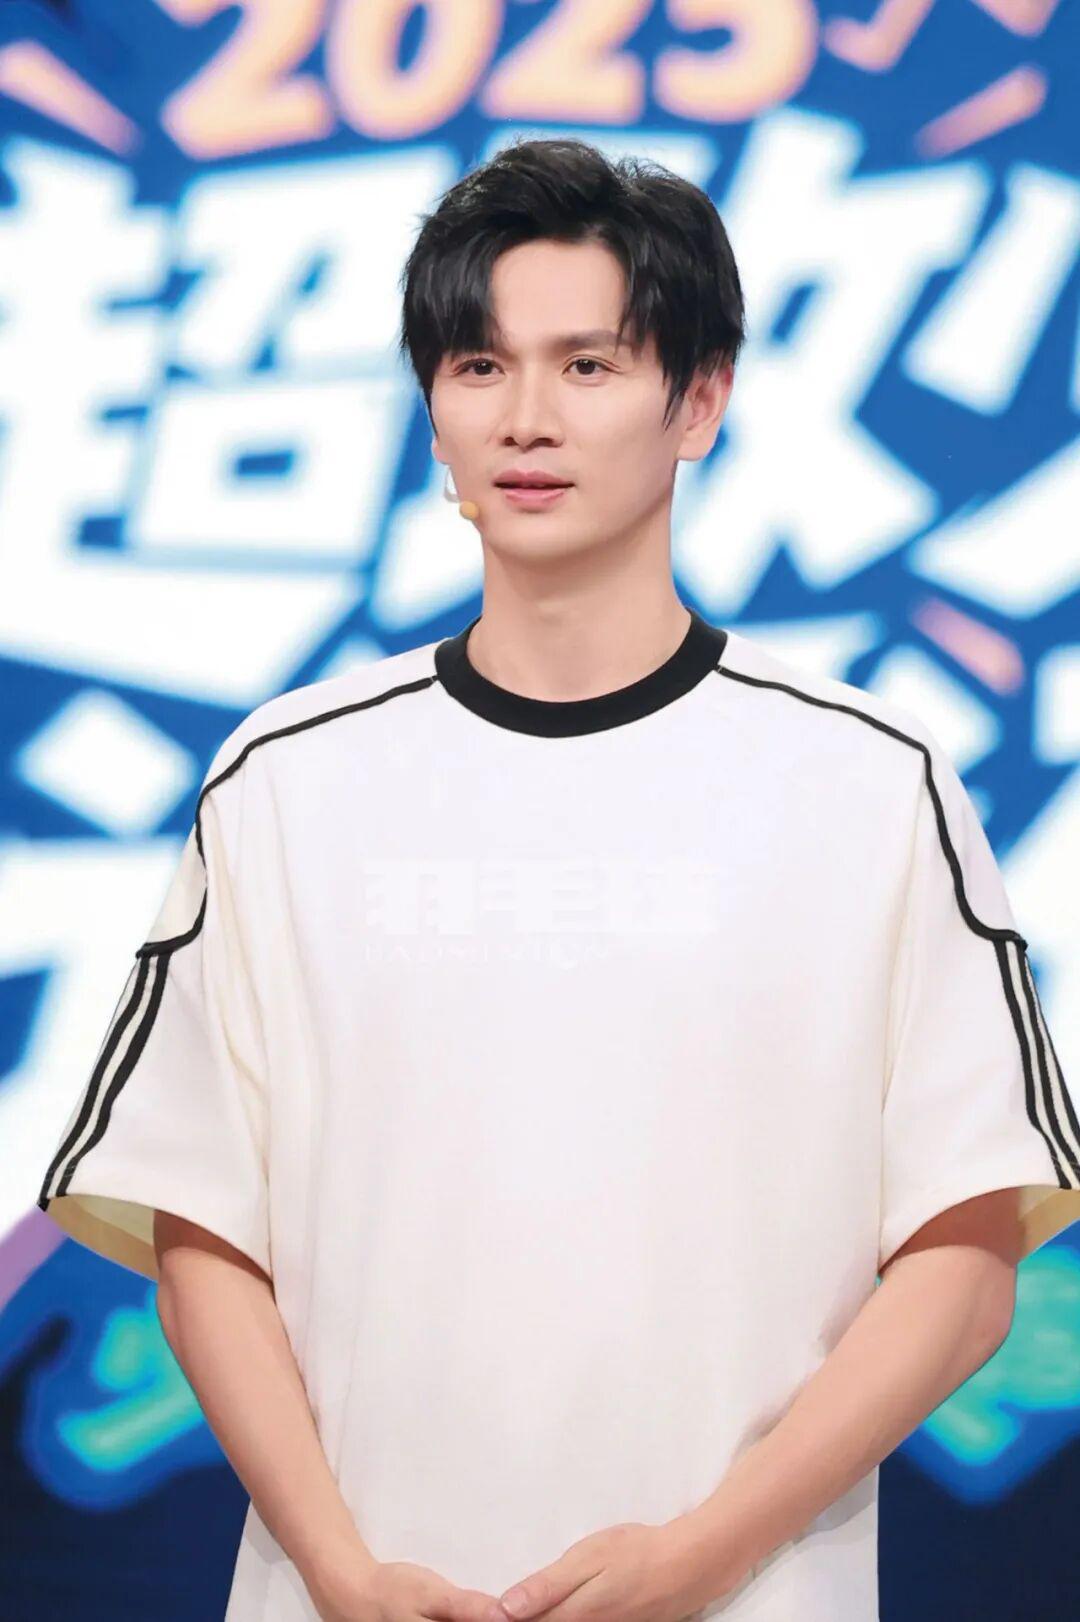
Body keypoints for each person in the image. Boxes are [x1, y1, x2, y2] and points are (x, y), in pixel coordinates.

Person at [37, 136, 1080, 1622]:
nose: (526, 418)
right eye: (479, 366)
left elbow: (965, 1251)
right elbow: (202, 1227)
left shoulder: (870, 779)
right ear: (433, 408)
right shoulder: (284, 779)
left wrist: (706, 1550)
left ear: (699, 399)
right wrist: (341, 1570)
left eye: (589, 366)